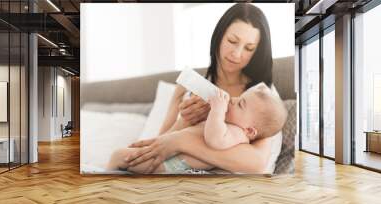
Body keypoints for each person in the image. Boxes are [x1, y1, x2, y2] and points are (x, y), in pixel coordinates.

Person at [107, 3, 281, 174]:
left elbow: (256, 163)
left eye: (249, 48)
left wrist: (181, 140)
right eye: (232, 41)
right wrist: (184, 122)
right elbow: (161, 142)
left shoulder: (260, 97)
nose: (237, 54)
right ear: (219, 36)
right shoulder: (187, 87)